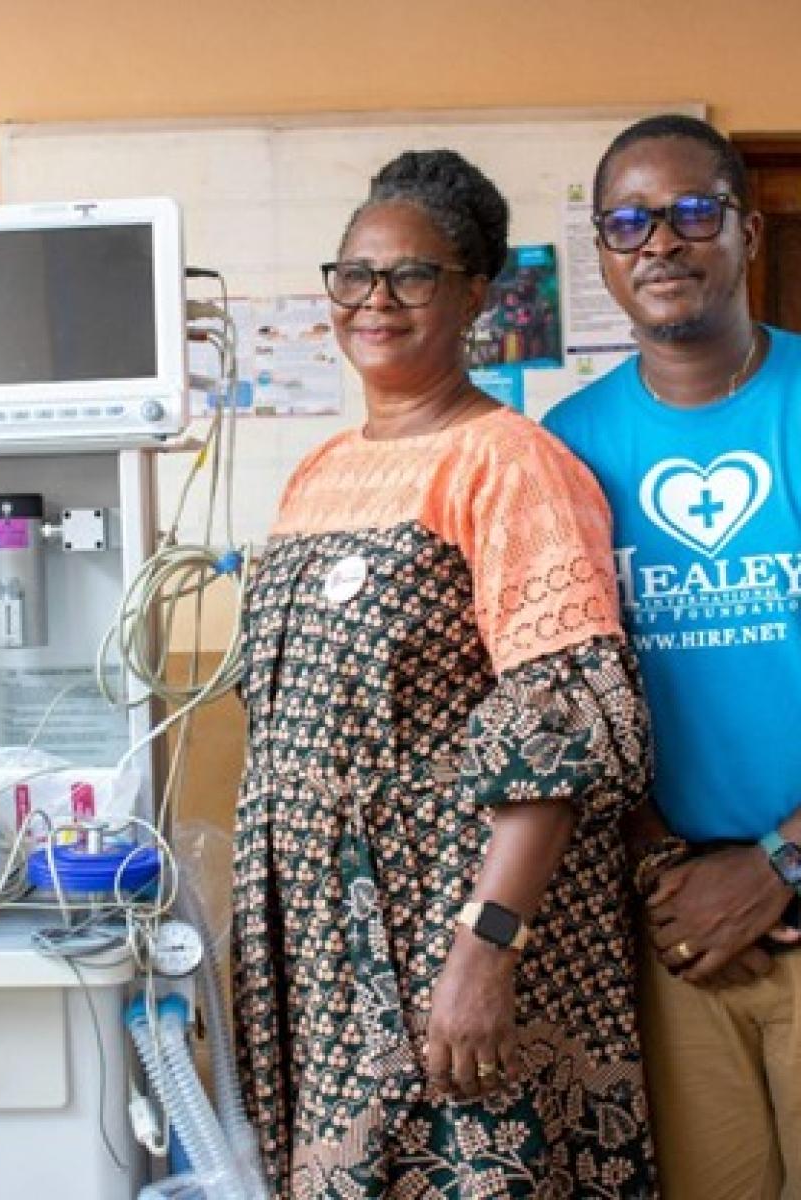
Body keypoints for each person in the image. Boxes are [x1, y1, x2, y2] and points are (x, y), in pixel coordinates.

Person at [230, 150, 657, 1199]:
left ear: (475, 294)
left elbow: (562, 726)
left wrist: (486, 950)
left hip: (446, 931)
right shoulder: (319, 472)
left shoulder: (508, 463)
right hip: (322, 944)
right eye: (355, 274)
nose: (375, 301)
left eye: (412, 276)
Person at [544, 114, 801, 1200]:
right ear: (603, 252)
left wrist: (781, 864)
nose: (661, 241)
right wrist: (672, 875)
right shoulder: (565, 449)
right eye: (628, 220)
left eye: (693, 211)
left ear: (745, 231)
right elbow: (561, 695)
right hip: (678, 930)